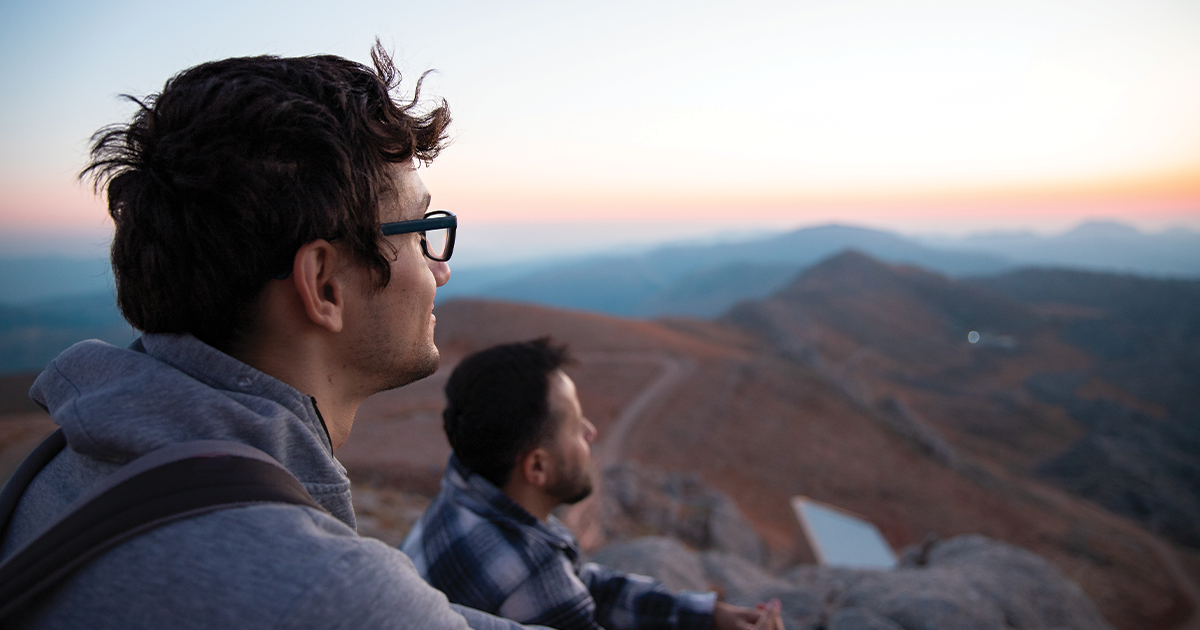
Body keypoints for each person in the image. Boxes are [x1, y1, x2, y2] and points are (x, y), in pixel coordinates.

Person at [0, 43, 532, 630]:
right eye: (421, 232)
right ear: (324, 285)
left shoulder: (58, 468)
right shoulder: (327, 590)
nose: (440, 269)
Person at [402, 338, 768, 630]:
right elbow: (560, 589)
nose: (592, 432)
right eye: (576, 428)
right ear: (537, 467)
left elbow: (580, 585)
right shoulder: (533, 576)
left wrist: (705, 616)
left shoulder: (460, 492)